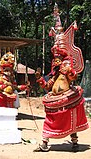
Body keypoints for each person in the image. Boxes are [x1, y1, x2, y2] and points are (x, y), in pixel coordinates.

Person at [34, 21, 89, 152]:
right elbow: (47, 86)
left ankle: (75, 142)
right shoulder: (55, 74)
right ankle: (44, 142)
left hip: (67, 98)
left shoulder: (66, 69)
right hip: (55, 98)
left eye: (58, 58)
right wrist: (39, 79)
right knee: (50, 120)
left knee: (71, 119)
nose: (56, 60)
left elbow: (73, 77)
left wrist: (69, 70)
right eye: (55, 58)